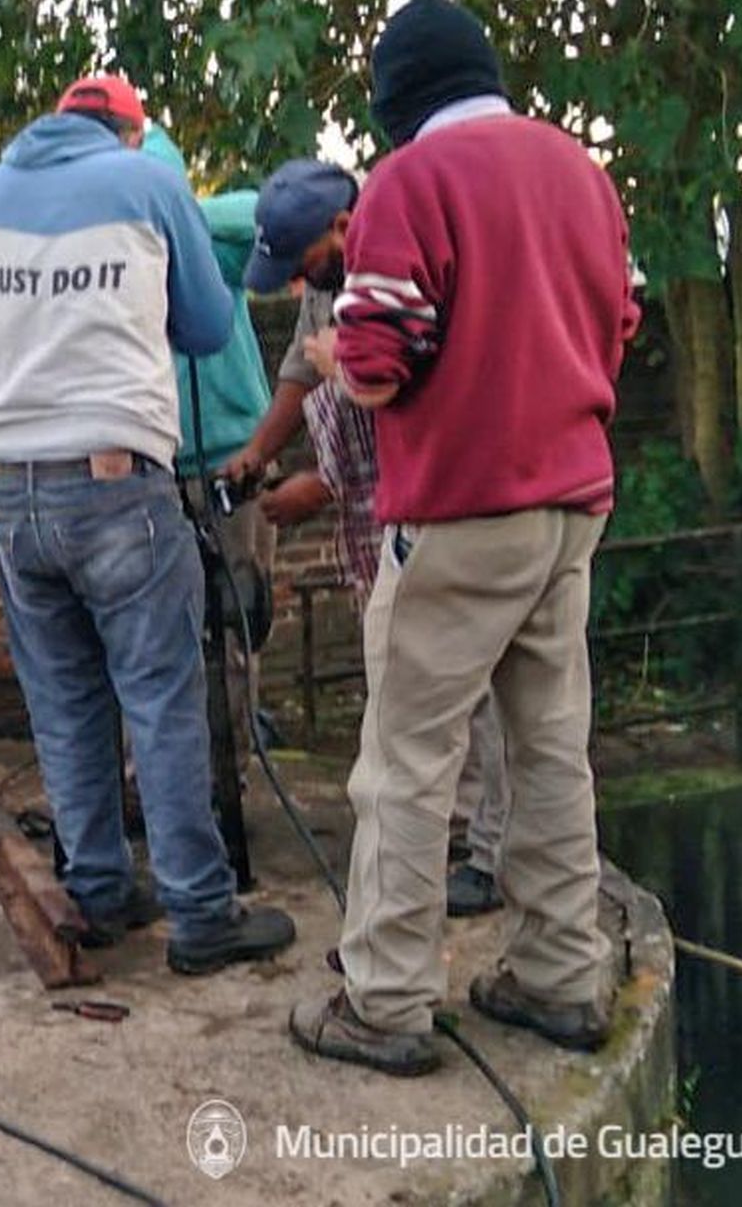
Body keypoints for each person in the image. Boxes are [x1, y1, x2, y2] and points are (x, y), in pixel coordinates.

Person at [287, 0, 640, 1075]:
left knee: (406, 763)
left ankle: (386, 1000)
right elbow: (621, 318)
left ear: (398, 103)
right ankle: (561, 974)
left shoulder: (409, 182)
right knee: (547, 749)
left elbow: (383, 362)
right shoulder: (579, 169)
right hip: (570, 503)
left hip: (458, 511)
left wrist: (341, 358)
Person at [0, 74, 296, 975]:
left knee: (64, 701)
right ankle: (202, 915)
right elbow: (207, 328)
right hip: (118, 482)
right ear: (129, 133)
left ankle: (97, 888)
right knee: (162, 700)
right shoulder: (150, 184)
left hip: (11, 489)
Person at [238, 160, 510, 919]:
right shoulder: (328, 287)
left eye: (305, 266)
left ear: (344, 228)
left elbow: (410, 402)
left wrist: (317, 484)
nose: (300, 286)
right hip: (380, 524)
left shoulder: (402, 269)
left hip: (439, 506)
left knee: (471, 696)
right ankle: (454, 839)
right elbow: (302, 369)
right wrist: (261, 453)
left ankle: (487, 856)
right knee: (413, 696)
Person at [139, 122, 277, 777]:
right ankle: (163, 770)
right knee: (156, 628)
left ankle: (234, 762)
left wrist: (175, 217)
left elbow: (266, 216)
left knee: (236, 617)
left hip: (234, 458)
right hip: (150, 466)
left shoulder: (209, 244)